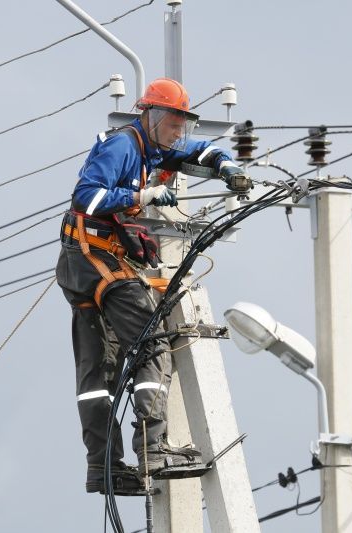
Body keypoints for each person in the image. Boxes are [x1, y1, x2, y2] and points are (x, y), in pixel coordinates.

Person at [56, 78, 246, 495]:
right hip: (94, 257)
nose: (179, 132)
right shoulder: (123, 146)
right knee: (152, 342)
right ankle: (153, 448)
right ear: (154, 116)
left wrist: (225, 164)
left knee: (98, 372)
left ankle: (103, 468)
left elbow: (196, 152)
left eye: (182, 125)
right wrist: (142, 195)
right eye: (175, 123)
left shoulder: (151, 146)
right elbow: (85, 198)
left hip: (82, 262)